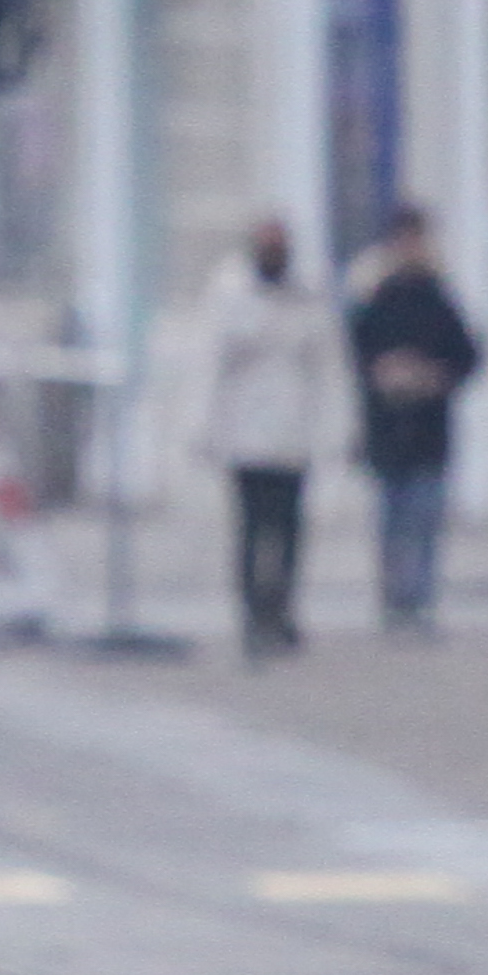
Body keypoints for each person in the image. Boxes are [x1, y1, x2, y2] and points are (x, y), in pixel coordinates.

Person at [194, 217, 349, 659]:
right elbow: (210, 366)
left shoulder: (309, 299)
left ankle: (281, 609)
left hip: (293, 433)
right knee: (251, 527)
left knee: (290, 528)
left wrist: (335, 427)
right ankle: (252, 613)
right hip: (244, 433)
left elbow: (328, 368)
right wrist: (203, 427)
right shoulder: (229, 296)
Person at [346, 204, 478, 635]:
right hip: (387, 427)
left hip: (429, 428)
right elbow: (355, 353)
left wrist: (434, 375)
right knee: (391, 520)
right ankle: (394, 599)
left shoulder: (439, 297)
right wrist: (384, 373)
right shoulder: (376, 298)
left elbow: (468, 355)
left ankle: (419, 599)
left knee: (424, 519)